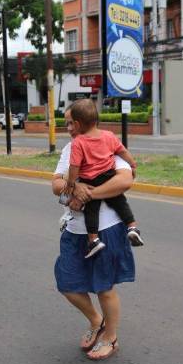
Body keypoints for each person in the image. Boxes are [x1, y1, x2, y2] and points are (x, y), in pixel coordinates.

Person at [52, 107, 136, 361]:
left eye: (70, 123)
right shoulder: (70, 148)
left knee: (104, 287)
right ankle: (97, 321)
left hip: (106, 230)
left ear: (81, 123)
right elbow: (56, 184)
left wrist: (87, 194)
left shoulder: (106, 143)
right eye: (66, 123)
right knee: (67, 282)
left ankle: (111, 337)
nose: (68, 128)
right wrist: (73, 189)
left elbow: (125, 180)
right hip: (74, 230)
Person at [62, 99, 143, 258]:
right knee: (120, 202)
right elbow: (122, 151)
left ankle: (93, 240)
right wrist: (133, 164)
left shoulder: (78, 142)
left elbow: (74, 166)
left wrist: (71, 183)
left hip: (90, 181)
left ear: (77, 124)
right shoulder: (109, 135)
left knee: (91, 211)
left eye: (71, 123)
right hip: (109, 176)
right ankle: (132, 227)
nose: (69, 127)